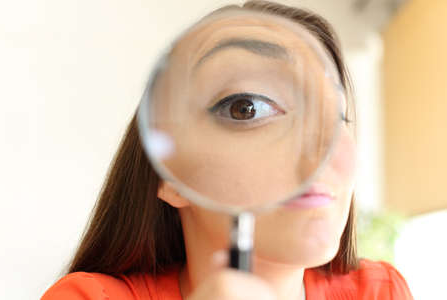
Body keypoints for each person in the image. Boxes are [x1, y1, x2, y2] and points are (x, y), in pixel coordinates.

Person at [41, 1, 413, 299]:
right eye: (246, 108)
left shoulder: (379, 292)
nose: (323, 149)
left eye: (338, 117)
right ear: (169, 174)